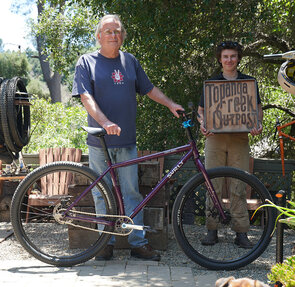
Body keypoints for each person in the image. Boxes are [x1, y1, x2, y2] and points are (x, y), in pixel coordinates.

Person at [72, 14, 183, 261]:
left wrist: (170, 103)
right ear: (99, 36)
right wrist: (105, 122)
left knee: (132, 193)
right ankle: (104, 243)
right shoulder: (86, 62)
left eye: (117, 31)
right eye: (108, 31)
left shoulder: (129, 61)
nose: (113, 35)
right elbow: (85, 97)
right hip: (100, 141)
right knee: (103, 193)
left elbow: (149, 88)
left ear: (122, 35)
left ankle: (137, 243)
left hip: (127, 142)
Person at [197, 41, 263, 249]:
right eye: (225, 56)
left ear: (238, 58)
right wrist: (203, 124)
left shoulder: (248, 82)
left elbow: (257, 108)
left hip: (240, 139)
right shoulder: (212, 82)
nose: (229, 60)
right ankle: (211, 230)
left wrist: (257, 124)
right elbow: (201, 110)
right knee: (213, 184)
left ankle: (241, 232)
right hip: (215, 139)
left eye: (233, 56)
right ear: (220, 59)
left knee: (239, 185)